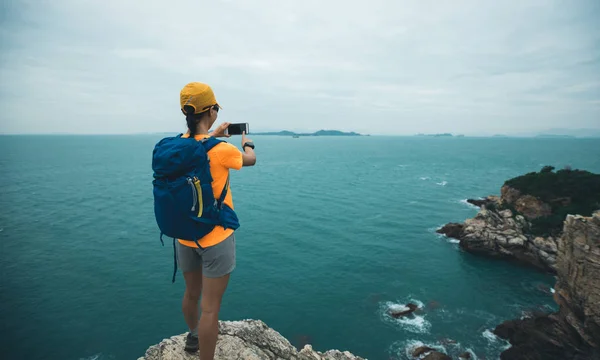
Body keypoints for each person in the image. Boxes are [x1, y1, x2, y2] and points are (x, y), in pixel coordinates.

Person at [177, 82, 256, 359]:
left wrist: (212, 134)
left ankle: (192, 335)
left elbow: (198, 142)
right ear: (211, 111)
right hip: (216, 237)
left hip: (184, 234)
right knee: (210, 309)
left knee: (191, 294)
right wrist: (246, 141)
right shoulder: (222, 150)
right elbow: (250, 159)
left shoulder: (177, 145)